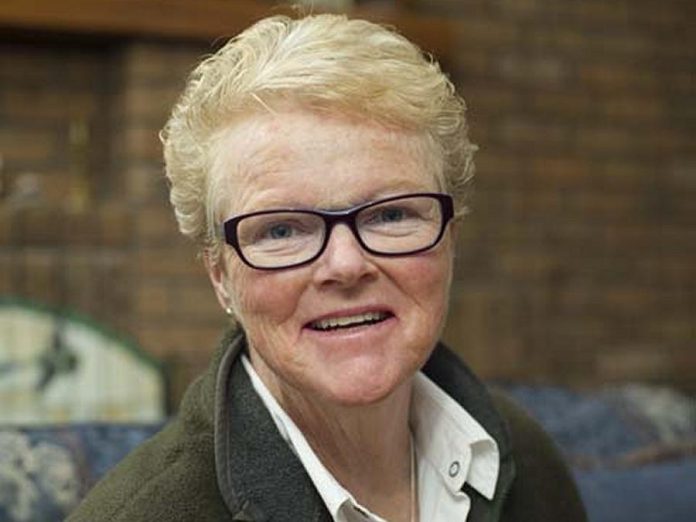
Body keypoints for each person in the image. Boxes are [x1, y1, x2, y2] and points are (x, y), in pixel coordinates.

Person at [68, 13, 586, 522]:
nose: (345, 265)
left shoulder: (523, 456)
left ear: (450, 236)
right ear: (220, 275)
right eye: (282, 230)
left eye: (391, 214)